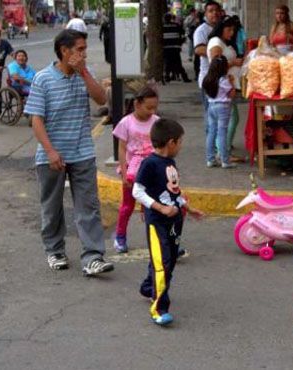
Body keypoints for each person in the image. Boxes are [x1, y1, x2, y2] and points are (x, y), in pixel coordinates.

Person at [23, 30, 114, 275]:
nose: (84, 53)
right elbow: (36, 120)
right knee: (52, 207)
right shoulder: (43, 79)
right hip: (51, 155)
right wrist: (50, 151)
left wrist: (83, 72)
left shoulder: (84, 74)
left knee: (88, 207)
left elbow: (100, 99)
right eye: (80, 49)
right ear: (65, 51)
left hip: (82, 152)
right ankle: (54, 250)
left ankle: (93, 257)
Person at [133, 118, 204, 326]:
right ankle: (158, 308)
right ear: (171, 142)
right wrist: (159, 208)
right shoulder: (150, 164)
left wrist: (187, 207)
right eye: (180, 142)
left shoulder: (170, 164)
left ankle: (149, 287)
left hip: (175, 221)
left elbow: (173, 192)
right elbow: (137, 191)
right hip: (157, 223)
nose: (181, 146)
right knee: (162, 263)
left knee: (170, 259)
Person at [112, 87, 160, 253]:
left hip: (152, 172)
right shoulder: (126, 123)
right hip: (133, 172)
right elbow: (121, 149)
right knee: (127, 206)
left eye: (154, 107)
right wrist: (124, 174)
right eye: (148, 107)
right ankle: (120, 237)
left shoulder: (156, 121)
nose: (151, 111)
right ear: (137, 104)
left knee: (154, 207)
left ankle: (160, 240)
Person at [207, 16, 243, 159]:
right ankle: (223, 152)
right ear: (221, 29)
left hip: (226, 87)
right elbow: (216, 65)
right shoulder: (216, 42)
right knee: (230, 120)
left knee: (226, 121)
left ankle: (221, 151)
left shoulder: (223, 42)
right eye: (229, 29)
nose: (232, 33)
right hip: (222, 89)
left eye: (233, 30)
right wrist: (234, 63)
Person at [203, 56, 236, 169]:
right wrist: (232, 83)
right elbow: (231, 95)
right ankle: (225, 160)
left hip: (211, 106)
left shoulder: (207, 79)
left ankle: (210, 159)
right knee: (222, 133)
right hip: (223, 107)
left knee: (211, 132)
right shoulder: (223, 80)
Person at [193, 1, 222, 126]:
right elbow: (199, 49)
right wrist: (219, 55)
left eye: (216, 10)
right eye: (210, 11)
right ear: (205, 13)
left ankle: (219, 142)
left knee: (222, 114)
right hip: (208, 78)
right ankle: (211, 144)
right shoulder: (201, 30)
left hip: (223, 78)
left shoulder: (222, 28)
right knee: (211, 114)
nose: (214, 13)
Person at [162, 13, 191, 83]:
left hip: (166, 48)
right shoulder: (176, 25)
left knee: (167, 63)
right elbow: (183, 35)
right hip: (175, 47)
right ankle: (184, 77)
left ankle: (167, 76)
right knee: (178, 63)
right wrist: (180, 43)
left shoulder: (162, 26)